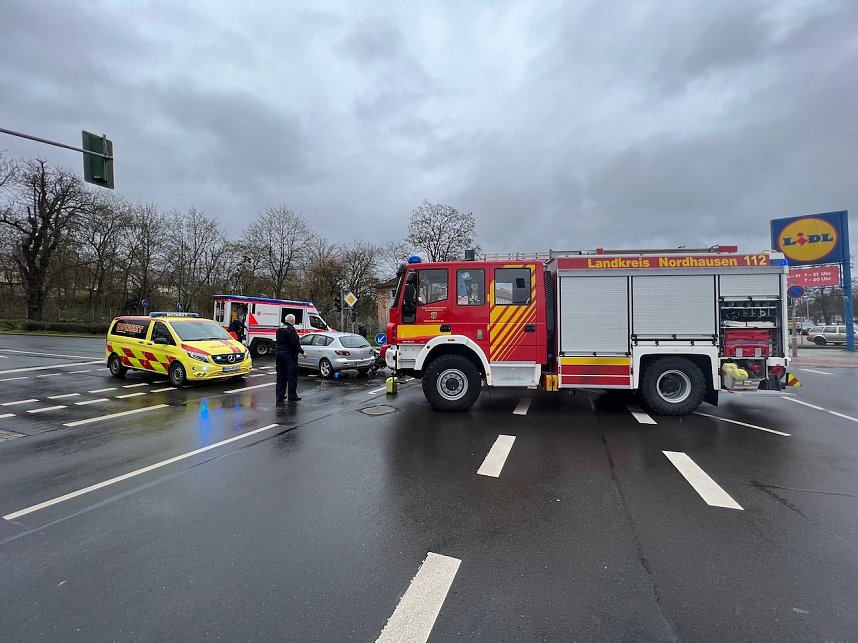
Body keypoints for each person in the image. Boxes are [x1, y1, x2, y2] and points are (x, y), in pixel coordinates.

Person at [276, 313, 305, 403]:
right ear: (292, 321)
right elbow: (294, 343)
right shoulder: (291, 329)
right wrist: (302, 352)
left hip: (278, 353)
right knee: (292, 375)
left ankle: (280, 395)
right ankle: (292, 396)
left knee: (281, 376)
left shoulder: (280, 328)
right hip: (288, 354)